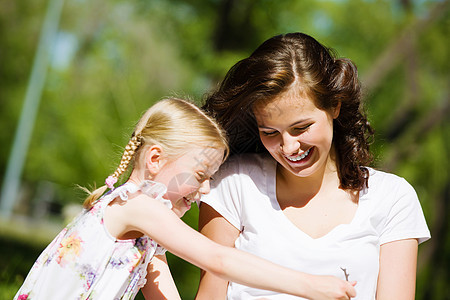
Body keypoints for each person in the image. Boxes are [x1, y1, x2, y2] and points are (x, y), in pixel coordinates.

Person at [14, 98, 357, 300]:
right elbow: (216, 258)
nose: (205, 190)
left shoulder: (146, 237)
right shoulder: (137, 206)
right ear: (155, 160)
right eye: (199, 176)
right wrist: (311, 286)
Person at [196, 33, 431, 300]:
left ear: (335, 106)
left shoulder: (392, 198)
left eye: (301, 128)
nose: (288, 147)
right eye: (270, 132)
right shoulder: (233, 182)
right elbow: (209, 294)